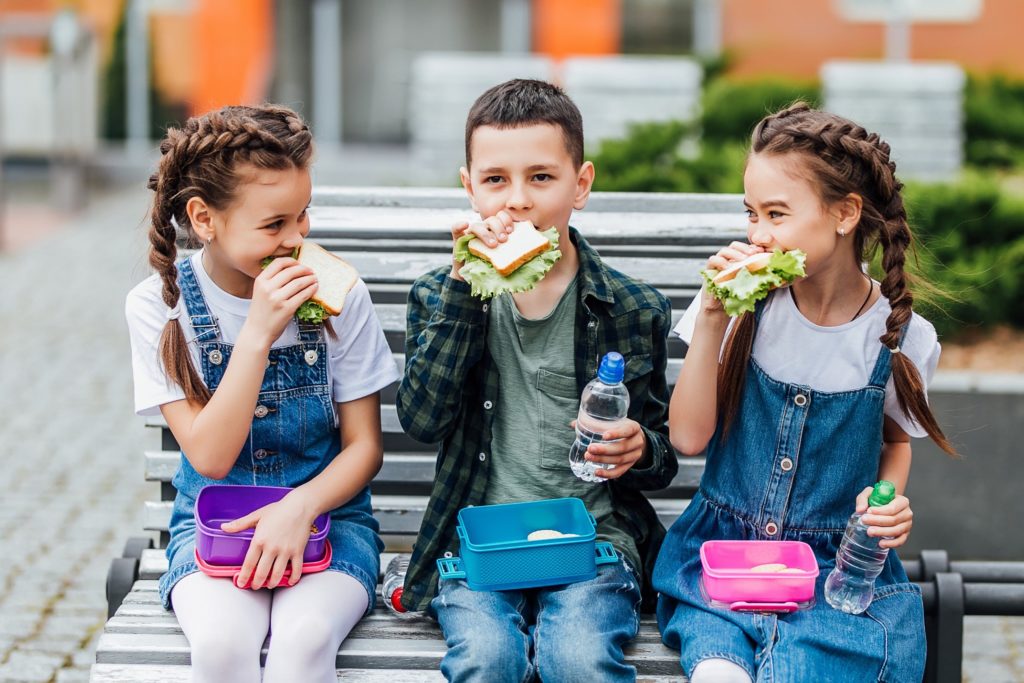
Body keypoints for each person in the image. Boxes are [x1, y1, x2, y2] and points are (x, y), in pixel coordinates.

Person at [653, 103, 956, 683]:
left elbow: (895, 442)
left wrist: (886, 502)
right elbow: (689, 437)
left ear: (844, 214)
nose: (756, 235)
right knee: (720, 668)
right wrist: (714, 315)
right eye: (751, 214)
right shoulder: (738, 307)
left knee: (810, 667)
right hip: (722, 560)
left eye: (776, 214)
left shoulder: (901, 337)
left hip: (833, 570)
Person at [395, 78, 679, 681]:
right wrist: (462, 288)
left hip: (594, 542)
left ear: (582, 185)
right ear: (469, 187)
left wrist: (638, 448)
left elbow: (661, 458)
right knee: (487, 659)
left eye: (542, 177)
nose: (517, 200)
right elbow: (423, 421)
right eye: (496, 179)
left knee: (578, 660)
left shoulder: (632, 308)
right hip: (479, 542)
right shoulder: (440, 294)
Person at [124, 104, 400, 683]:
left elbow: (364, 448)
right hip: (213, 528)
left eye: (303, 217)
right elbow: (210, 456)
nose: (296, 239)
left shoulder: (340, 297)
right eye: (274, 225)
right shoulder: (158, 307)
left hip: (328, 520)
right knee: (223, 645)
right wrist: (256, 335)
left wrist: (298, 507)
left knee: (303, 642)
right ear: (204, 218)